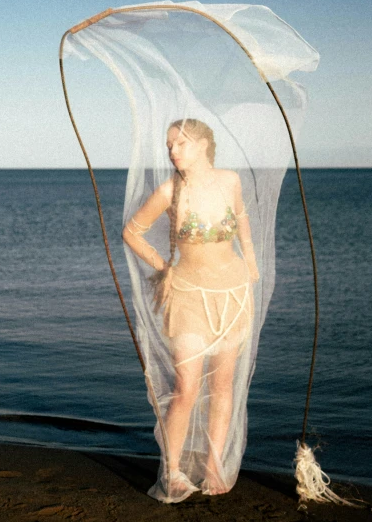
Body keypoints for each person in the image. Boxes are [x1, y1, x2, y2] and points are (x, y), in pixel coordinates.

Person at [122, 118, 259, 502]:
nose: (172, 151)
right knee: (185, 388)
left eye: (180, 143)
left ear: (202, 145)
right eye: (169, 145)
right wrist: (163, 267)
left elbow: (243, 218)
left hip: (232, 294)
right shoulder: (169, 190)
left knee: (222, 386)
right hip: (188, 297)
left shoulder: (230, 180)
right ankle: (173, 471)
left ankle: (214, 465)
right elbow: (131, 232)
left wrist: (250, 261)